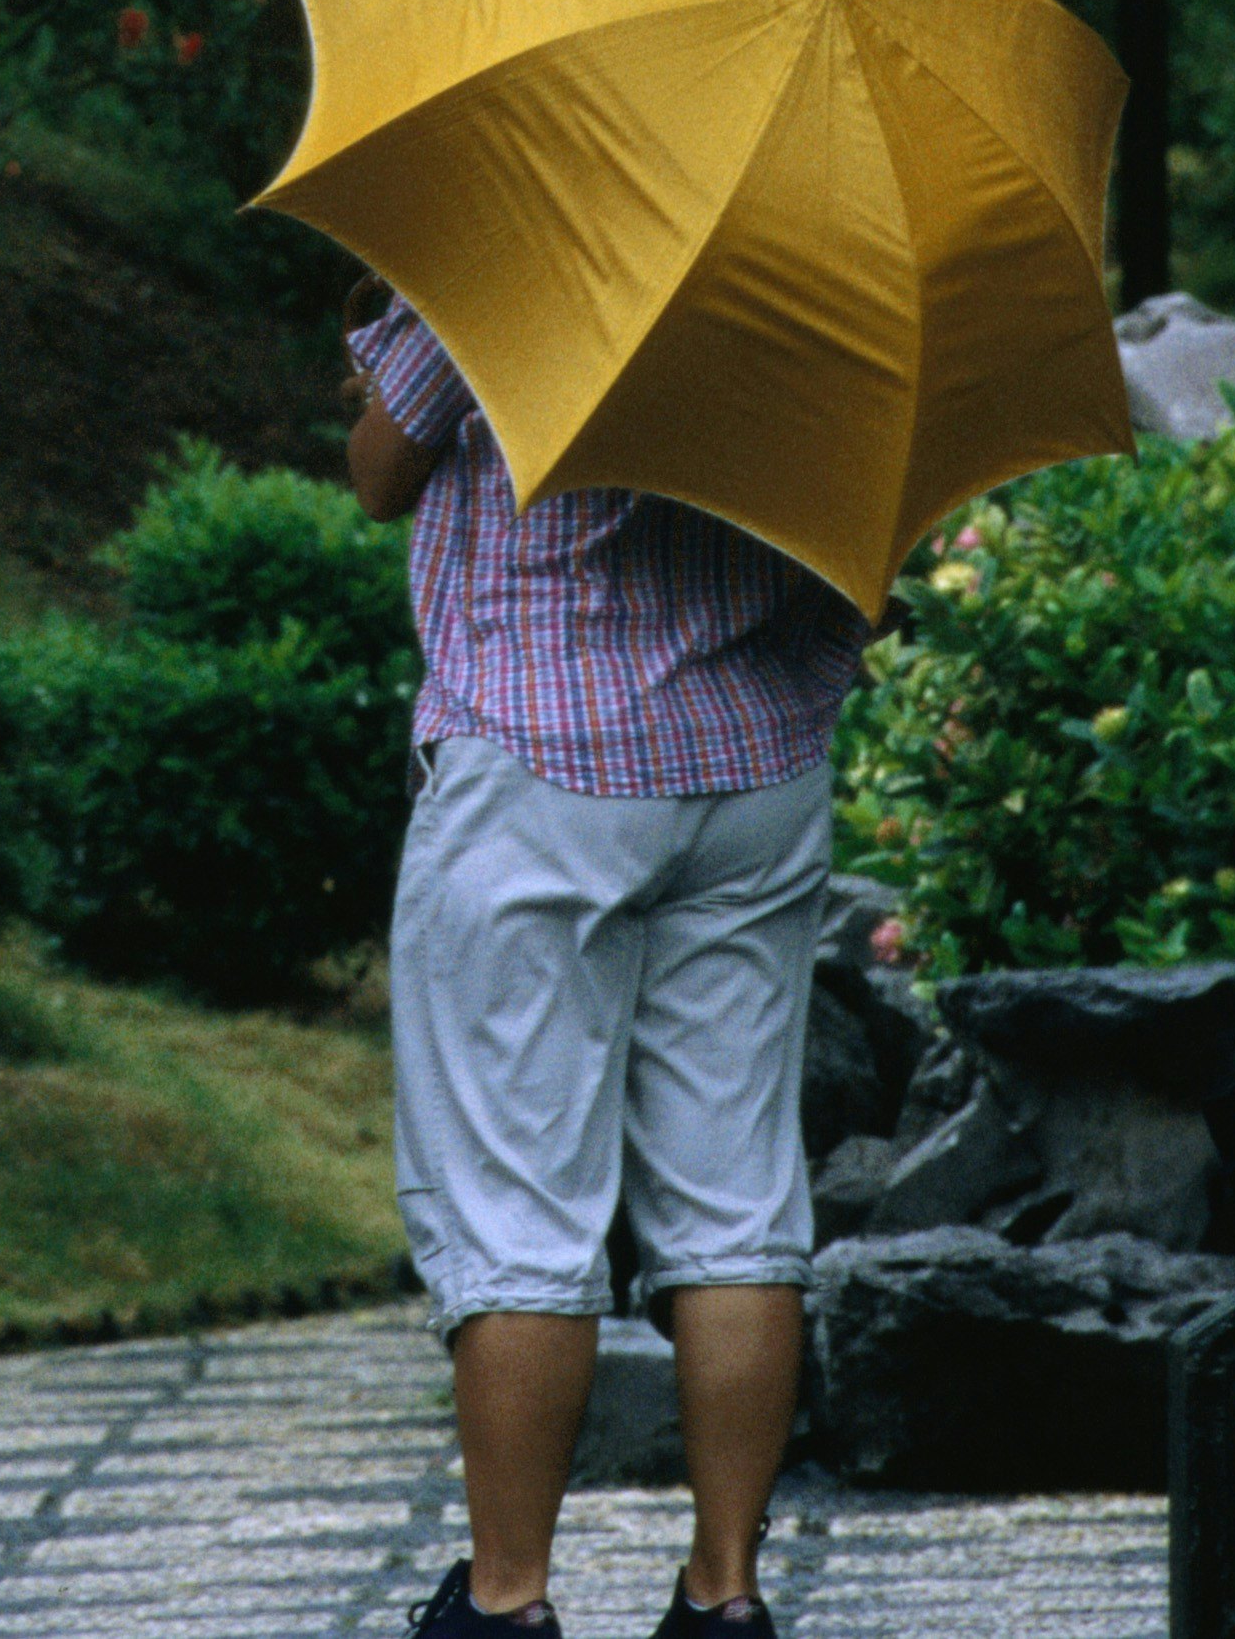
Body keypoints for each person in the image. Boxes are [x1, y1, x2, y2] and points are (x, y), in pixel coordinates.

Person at [344, 279, 870, 1639]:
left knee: (518, 1203)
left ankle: (506, 1602)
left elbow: (380, 474)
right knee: (737, 1198)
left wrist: (386, 373)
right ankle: (724, 1593)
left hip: (545, 761)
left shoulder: (530, 232)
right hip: (754, 760)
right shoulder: (835, 273)